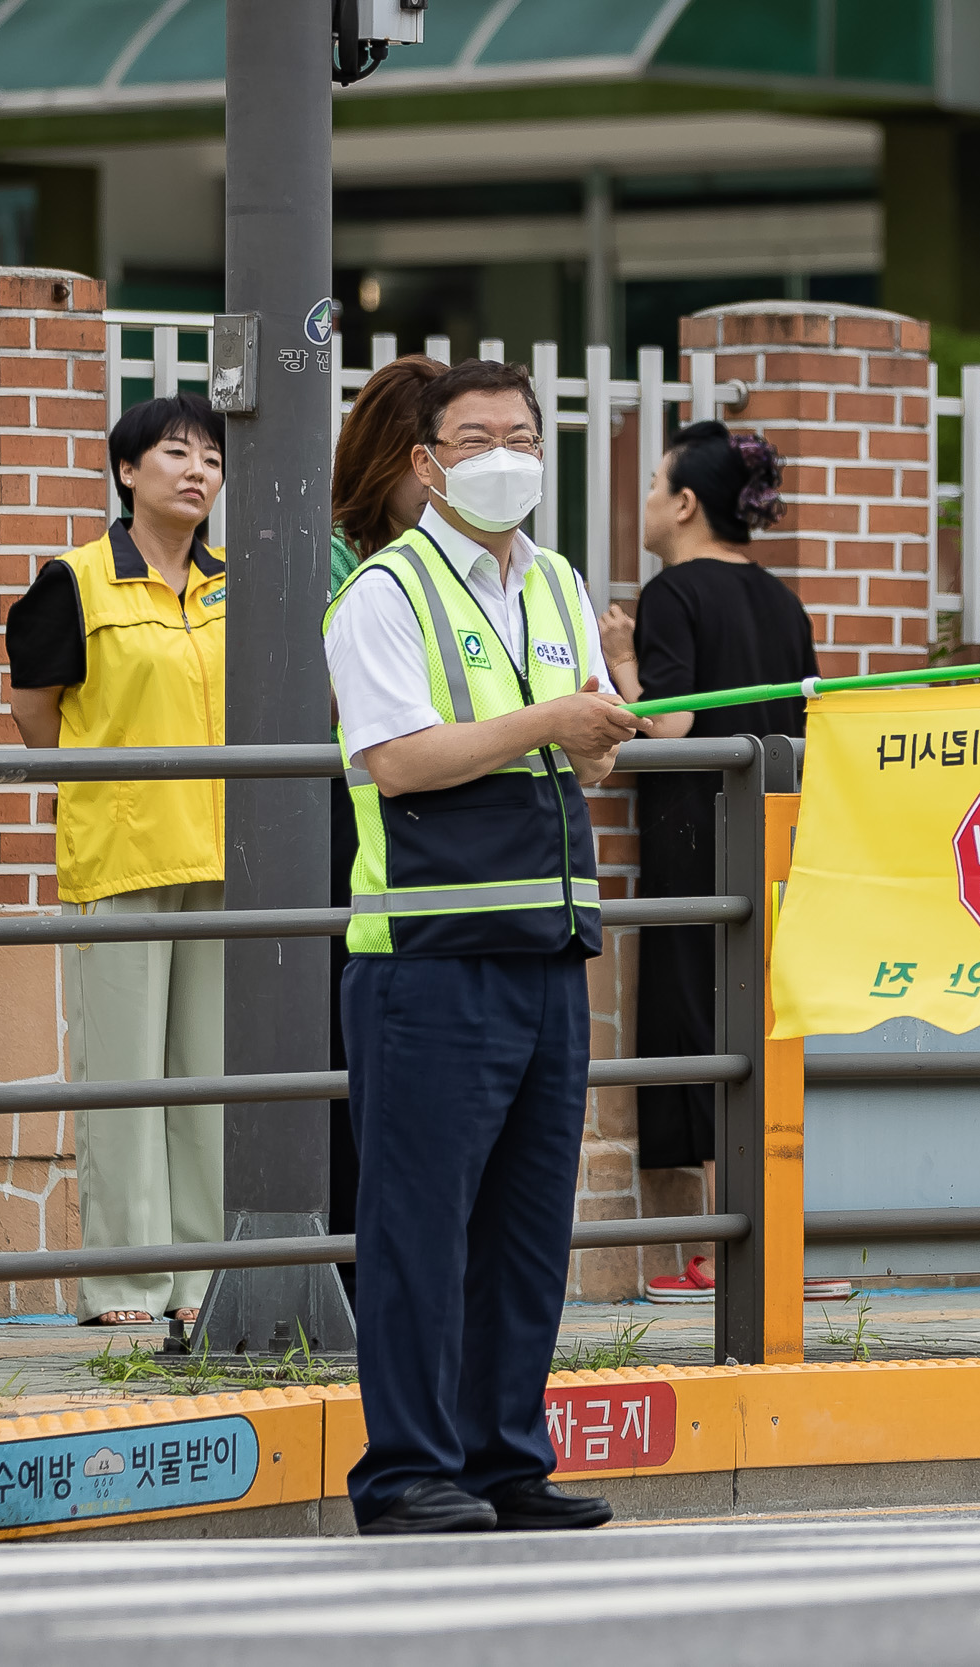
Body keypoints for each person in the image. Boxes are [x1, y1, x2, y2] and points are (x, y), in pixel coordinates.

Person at [323, 358, 647, 1535]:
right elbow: (398, 757)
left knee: (524, 1226)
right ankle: (407, 1469)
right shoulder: (384, 593)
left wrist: (600, 732)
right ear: (427, 461)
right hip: (430, 950)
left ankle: (506, 1457)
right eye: (475, 437)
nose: (503, 454)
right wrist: (551, 723)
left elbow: (575, 745)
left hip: (550, 943)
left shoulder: (558, 584)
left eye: (520, 433)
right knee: (418, 1224)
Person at [5, 393, 229, 1328]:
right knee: (129, 1084)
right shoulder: (77, 579)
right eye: (175, 453)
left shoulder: (235, 584)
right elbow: (34, 716)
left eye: (212, 458)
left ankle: (204, 1282)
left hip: (225, 864)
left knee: (212, 1085)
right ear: (127, 471)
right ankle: (131, 1286)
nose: (198, 471)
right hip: (125, 855)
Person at [593, 420, 811, 1303]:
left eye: (654, 483)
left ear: (684, 503)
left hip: (696, 839)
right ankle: (781, 1239)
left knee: (700, 1017)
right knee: (763, 1018)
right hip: (778, 834)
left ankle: (724, 1252)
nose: (647, 499)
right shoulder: (785, 602)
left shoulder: (674, 592)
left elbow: (673, 726)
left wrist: (619, 661)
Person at [324, 353, 445, 1297]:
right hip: (354, 835)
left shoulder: (495, 569)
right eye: (447, 449)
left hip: (450, 855)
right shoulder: (339, 569)